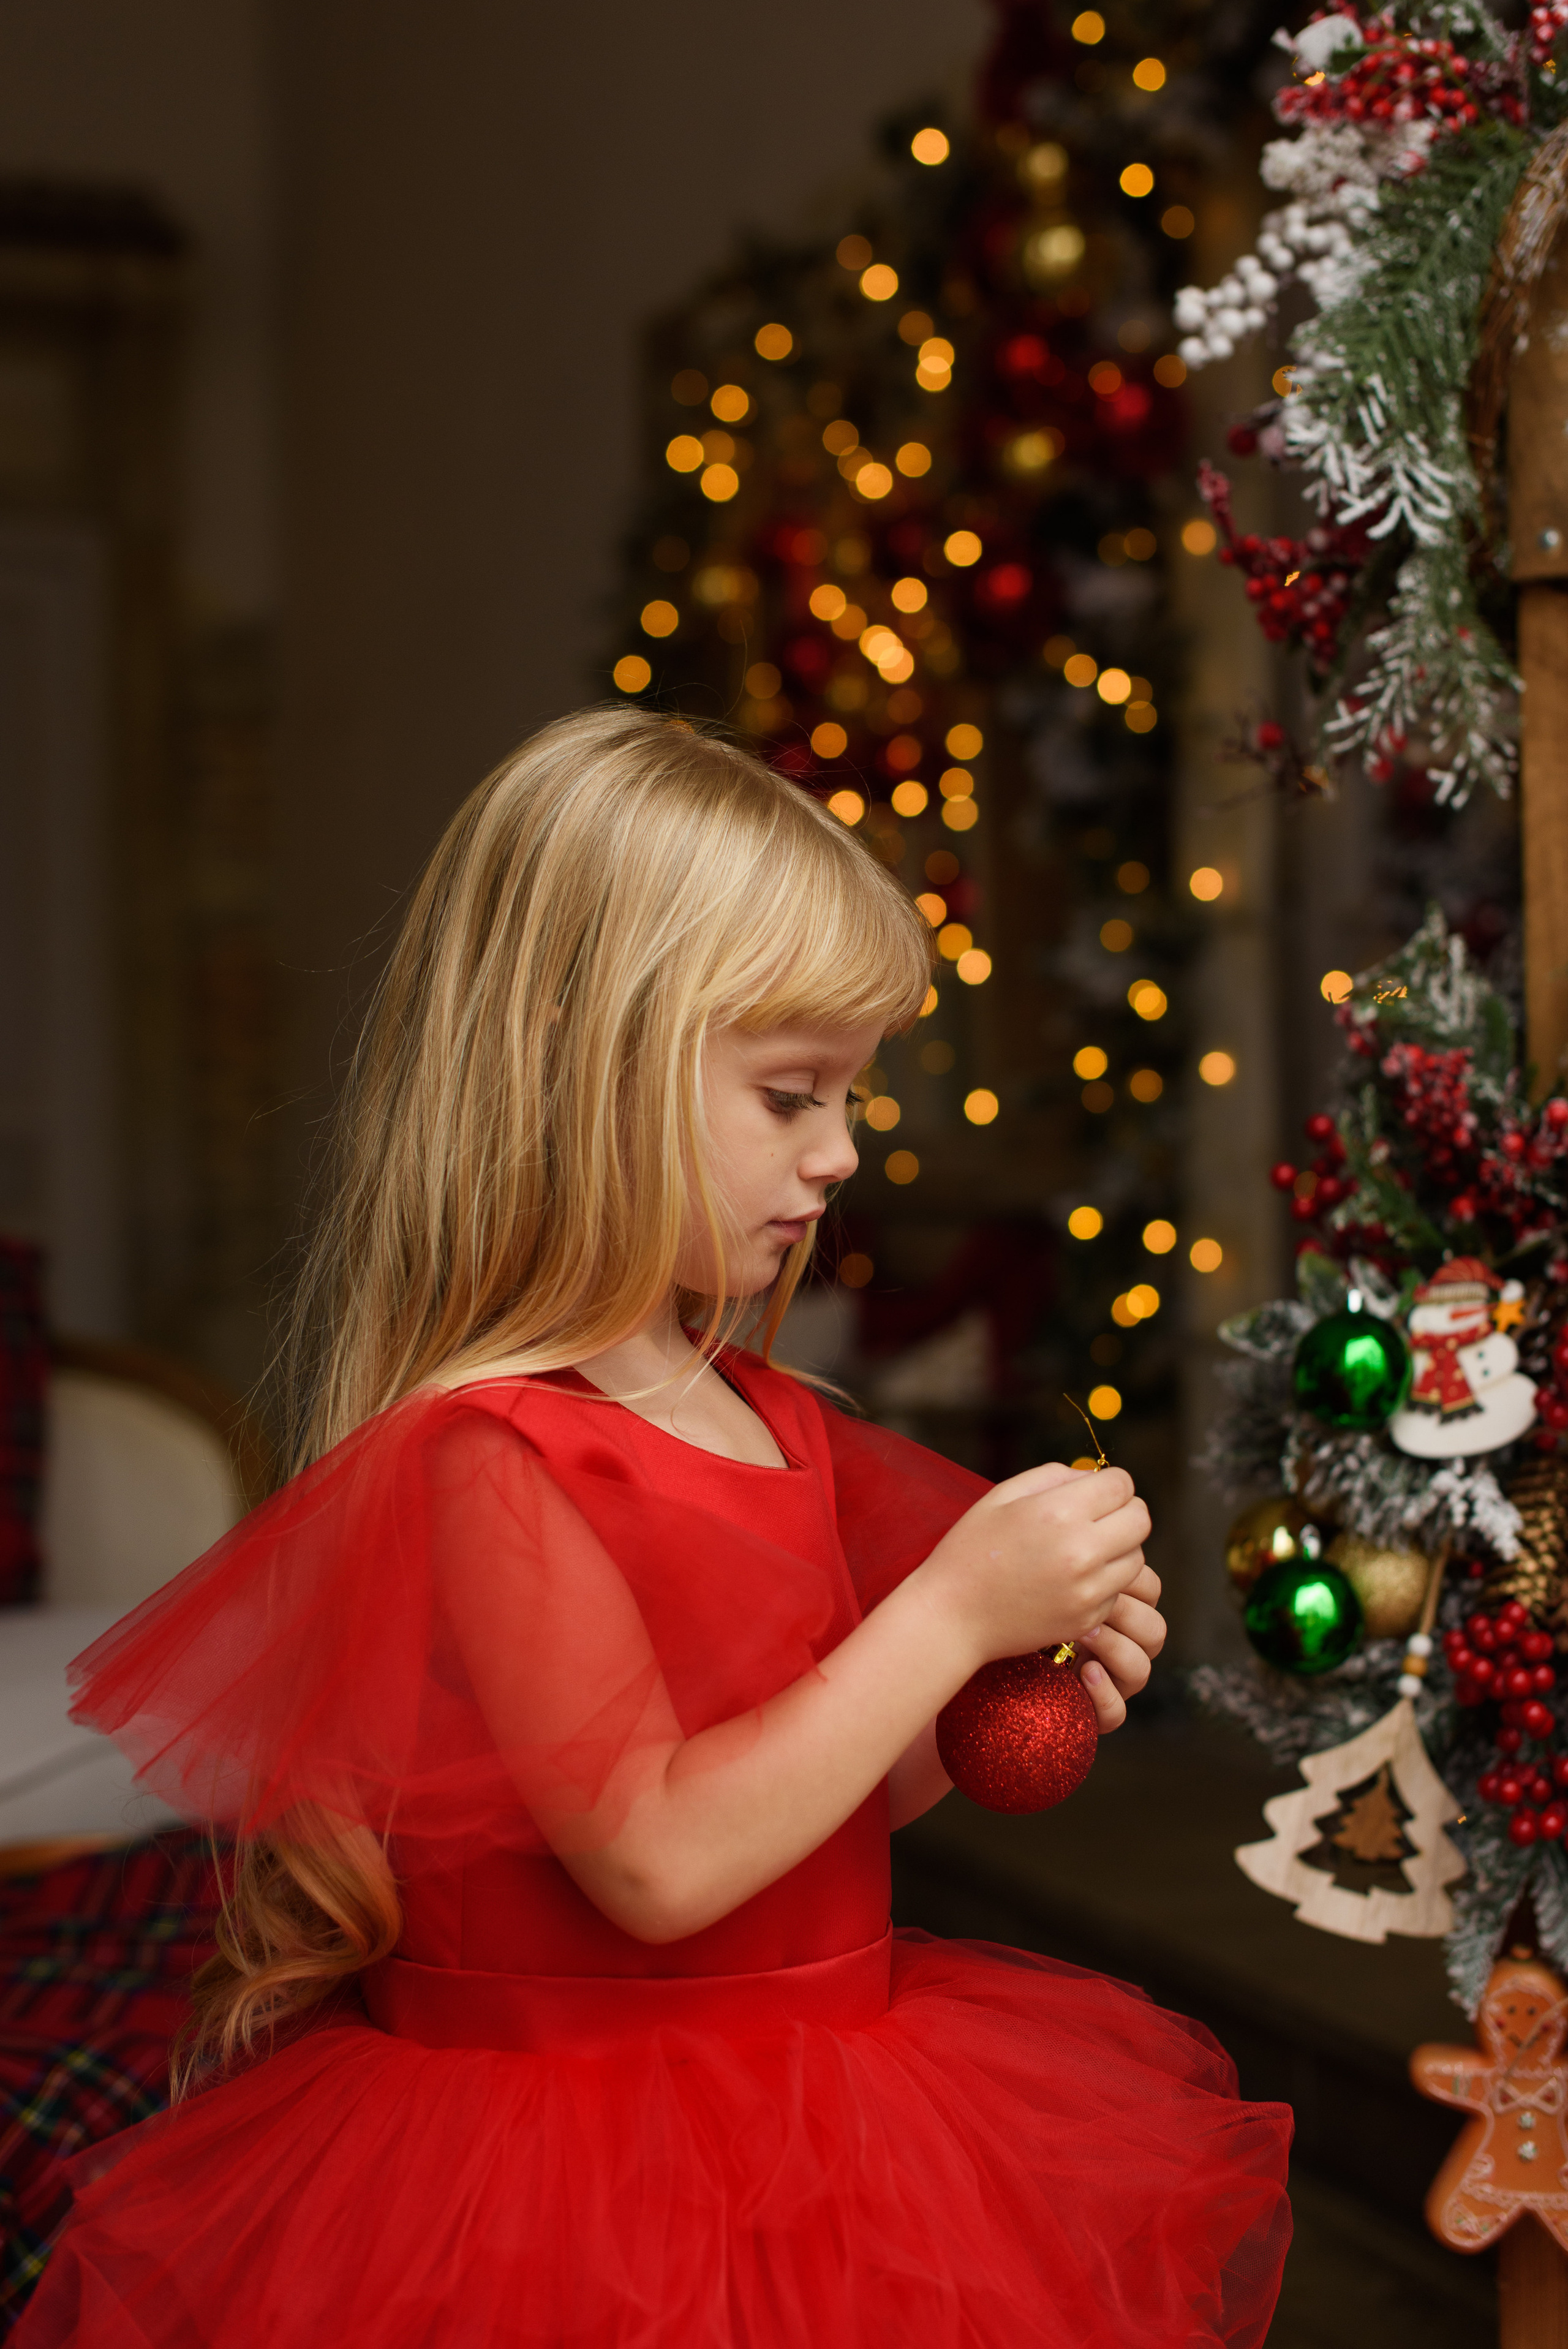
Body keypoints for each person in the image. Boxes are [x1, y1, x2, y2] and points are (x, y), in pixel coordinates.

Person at [17, 709, 1291, 2348]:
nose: (839, 1153)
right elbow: (661, 1855)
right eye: (788, 1092)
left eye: (849, 1092)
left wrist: (992, 1698)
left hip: (834, 2113)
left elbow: (807, 1812)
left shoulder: (773, 1416)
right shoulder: (488, 1454)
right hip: (555, 2168)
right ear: (576, 1055)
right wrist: (946, 1616)